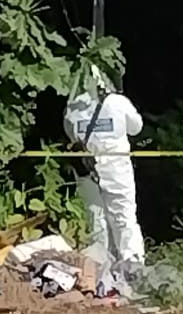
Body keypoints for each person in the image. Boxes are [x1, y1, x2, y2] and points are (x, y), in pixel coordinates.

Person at [63, 66, 146, 266]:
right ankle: (132, 265)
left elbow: (71, 134)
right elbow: (136, 128)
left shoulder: (73, 108)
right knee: (123, 216)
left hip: (88, 171)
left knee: (96, 218)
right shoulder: (118, 102)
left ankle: (100, 267)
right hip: (117, 169)